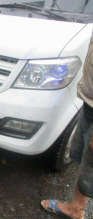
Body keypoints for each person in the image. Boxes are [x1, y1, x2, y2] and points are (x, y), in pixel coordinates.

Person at [41, 34, 93, 219]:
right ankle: (76, 207)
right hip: (89, 102)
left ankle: (76, 210)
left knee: (90, 169)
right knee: (84, 158)